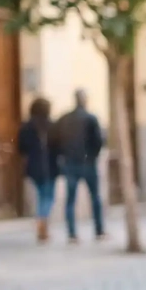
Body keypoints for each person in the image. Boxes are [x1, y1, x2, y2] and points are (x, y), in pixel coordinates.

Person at [53, 89, 106, 243]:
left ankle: (72, 233)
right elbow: (99, 141)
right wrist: (93, 156)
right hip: (88, 163)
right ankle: (99, 230)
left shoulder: (64, 119)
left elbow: (55, 140)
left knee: (71, 199)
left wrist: (63, 155)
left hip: (70, 163)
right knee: (95, 197)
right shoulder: (91, 118)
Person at [16, 97, 59, 243]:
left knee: (42, 195)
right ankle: (42, 220)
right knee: (49, 197)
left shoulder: (26, 126)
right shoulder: (52, 125)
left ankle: (41, 221)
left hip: (34, 167)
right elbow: (58, 146)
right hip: (50, 166)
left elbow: (21, 147)